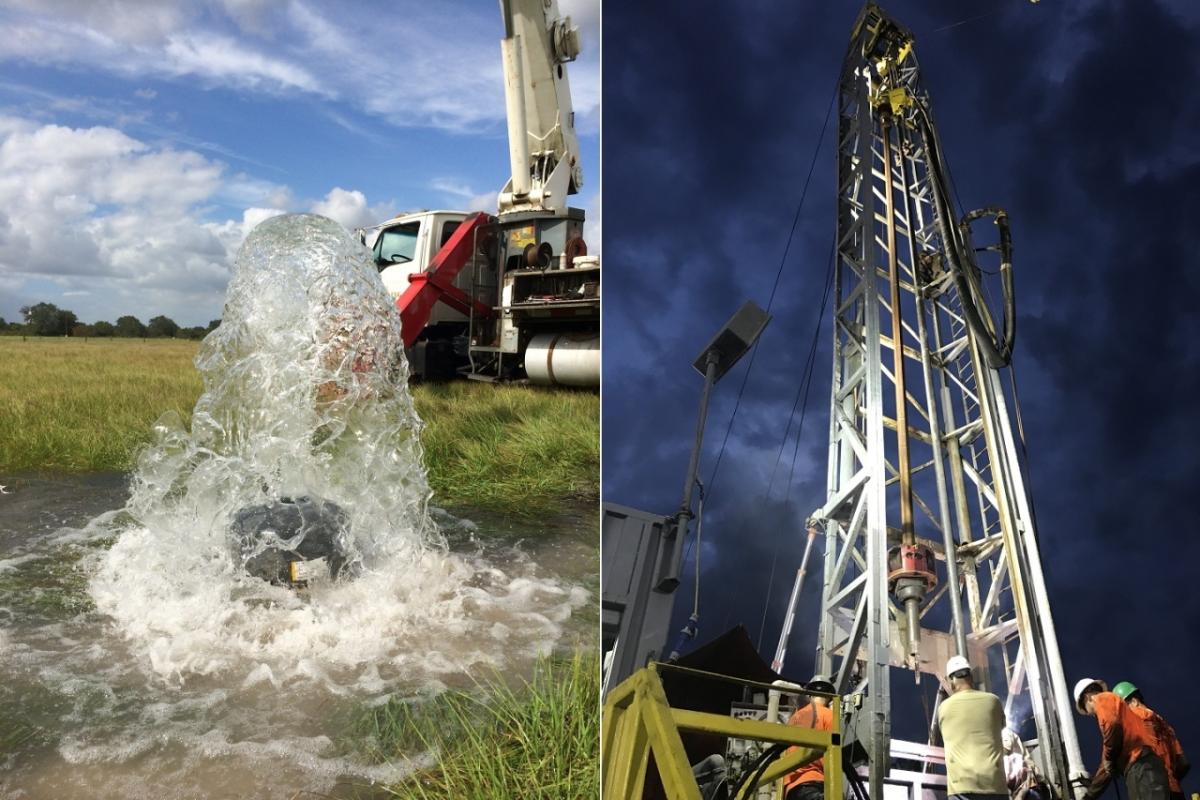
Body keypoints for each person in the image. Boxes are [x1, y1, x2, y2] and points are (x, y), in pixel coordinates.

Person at [1074, 678, 1170, 800]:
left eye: (1087, 710)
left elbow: (1111, 727)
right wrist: (1089, 796)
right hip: (1143, 767)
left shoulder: (1103, 699)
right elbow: (1105, 765)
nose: (1091, 714)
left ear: (1087, 698)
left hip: (1141, 766)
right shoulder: (1119, 713)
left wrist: (1110, 758)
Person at [936, 655, 1008, 800]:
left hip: (961, 789)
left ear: (951, 680)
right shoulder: (993, 701)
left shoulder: (944, 708)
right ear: (971, 676)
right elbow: (1001, 726)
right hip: (995, 788)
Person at [1113, 680, 1190, 800]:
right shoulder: (1167, 727)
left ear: (1134, 701)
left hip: (1149, 788)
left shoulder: (1135, 717)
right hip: (1175, 791)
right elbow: (1184, 763)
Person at [783, 677, 836, 800]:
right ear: (829, 697)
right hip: (812, 783)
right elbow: (833, 754)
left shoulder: (794, 718)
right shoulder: (829, 715)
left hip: (790, 788)